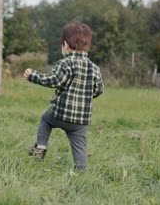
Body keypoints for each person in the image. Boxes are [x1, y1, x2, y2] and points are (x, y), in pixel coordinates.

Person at [23, 21, 104, 173]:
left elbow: (53, 81)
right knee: (80, 147)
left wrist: (33, 76)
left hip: (59, 113)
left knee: (45, 120)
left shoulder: (65, 63)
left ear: (65, 45)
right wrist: (85, 95)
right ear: (88, 46)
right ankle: (80, 173)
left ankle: (40, 149)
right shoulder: (94, 68)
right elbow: (99, 90)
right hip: (80, 120)